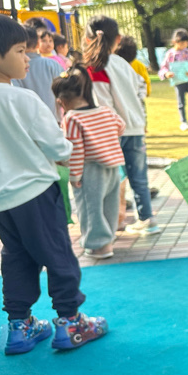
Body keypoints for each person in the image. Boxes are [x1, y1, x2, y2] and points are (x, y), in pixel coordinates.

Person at [0, 13, 108, 354]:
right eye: (21, 51)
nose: (28, 58)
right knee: (57, 255)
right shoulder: (22, 99)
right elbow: (58, 148)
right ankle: (70, 321)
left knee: (16, 258)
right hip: (36, 194)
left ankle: (19, 326)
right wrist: (64, 148)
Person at [83, 16, 160, 236]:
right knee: (138, 178)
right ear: (117, 39)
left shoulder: (95, 67)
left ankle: (111, 222)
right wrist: (134, 107)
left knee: (111, 180)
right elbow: (141, 87)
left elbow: (103, 105)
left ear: (88, 39)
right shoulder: (122, 64)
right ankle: (147, 219)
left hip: (112, 132)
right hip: (134, 127)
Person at [52, 66, 126, 260]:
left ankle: (98, 245)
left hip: (89, 170)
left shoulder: (72, 118)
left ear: (61, 101)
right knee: (109, 205)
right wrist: (105, 140)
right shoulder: (105, 111)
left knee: (90, 208)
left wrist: (74, 176)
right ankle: (108, 240)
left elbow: (75, 150)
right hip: (112, 168)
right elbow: (121, 126)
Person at [12, 24, 62, 116]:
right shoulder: (52, 64)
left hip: (26, 119)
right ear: (38, 44)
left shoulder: (13, 69)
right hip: (53, 118)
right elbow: (64, 90)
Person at [159, 29, 188, 131]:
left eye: (186, 43)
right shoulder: (170, 54)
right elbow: (163, 68)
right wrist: (166, 74)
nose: (184, 45)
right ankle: (184, 122)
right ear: (175, 42)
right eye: (182, 43)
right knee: (181, 103)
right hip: (178, 82)